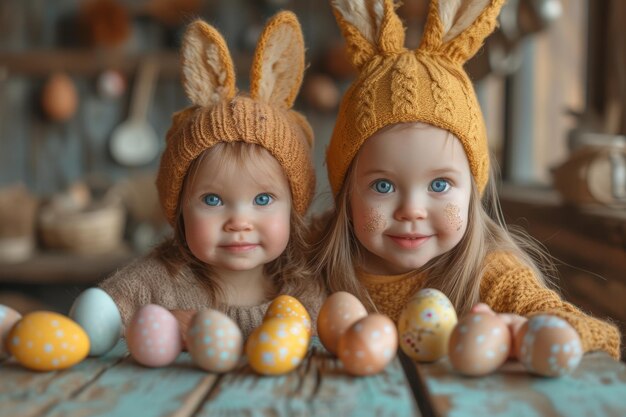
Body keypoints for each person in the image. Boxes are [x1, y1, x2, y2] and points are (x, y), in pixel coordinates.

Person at [312, 0, 620, 358]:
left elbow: (585, 332)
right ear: (346, 192)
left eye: (440, 185)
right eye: (383, 186)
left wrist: (530, 330)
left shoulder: (489, 272)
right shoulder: (312, 260)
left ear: (473, 191)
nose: (412, 211)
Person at [99, 11, 323, 340]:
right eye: (213, 199)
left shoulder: (304, 293)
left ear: (293, 208)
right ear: (180, 211)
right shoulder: (151, 286)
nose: (239, 222)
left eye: (262, 199)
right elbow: (96, 323)